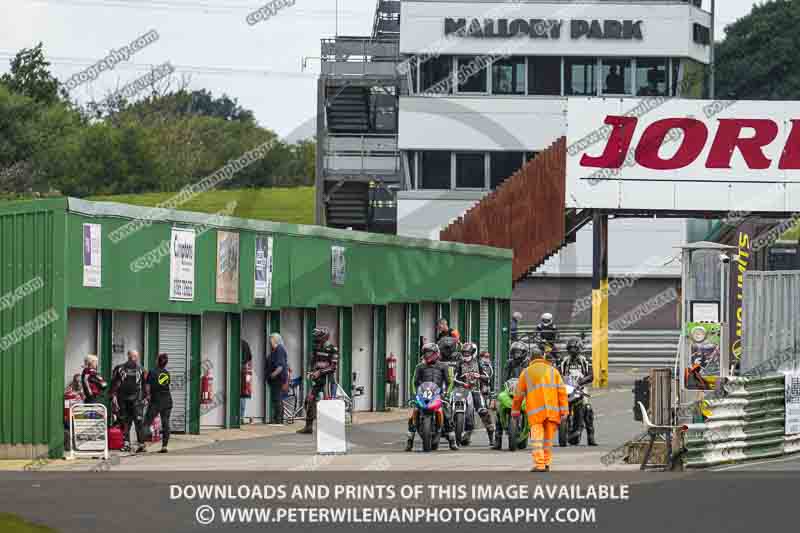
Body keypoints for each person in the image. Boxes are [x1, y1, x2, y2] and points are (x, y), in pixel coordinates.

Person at [511, 346, 569, 472]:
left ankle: (540, 464)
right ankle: (547, 462)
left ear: (530, 358)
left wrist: (515, 411)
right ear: (542, 357)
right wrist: (564, 411)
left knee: (537, 440)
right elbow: (562, 393)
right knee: (548, 440)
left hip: (536, 413)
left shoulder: (526, 372)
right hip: (552, 412)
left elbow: (518, 395)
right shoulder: (554, 371)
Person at [405, 342, 458, 451]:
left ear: (436, 353)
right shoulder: (419, 366)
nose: (428, 355)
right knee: (413, 415)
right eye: (426, 353)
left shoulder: (443, 366)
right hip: (423, 393)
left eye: (430, 352)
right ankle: (409, 441)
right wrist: (414, 395)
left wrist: (447, 395)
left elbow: (450, 382)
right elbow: (414, 381)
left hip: (438, 394)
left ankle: (452, 441)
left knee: (447, 414)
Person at [297, 327, 339, 434]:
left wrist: (319, 372)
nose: (316, 340)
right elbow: (313, 361)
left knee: (328, 403)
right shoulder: (316, 348)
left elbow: (333, 367)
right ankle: (308, 426)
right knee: (309, 400)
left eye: (318, 337)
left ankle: (330, 428)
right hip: (318, 380)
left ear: (324, 337)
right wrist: (310, 372)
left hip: (328, 380)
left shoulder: (333, 349)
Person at [454, 342, 495, 446]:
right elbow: (453, 378)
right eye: (464, 353)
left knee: (483, 411)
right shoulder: (459, 363)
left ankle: (491, 436)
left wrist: (479, 376)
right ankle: (455, 433)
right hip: (461, 390)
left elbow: (487, 377)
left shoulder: (479, 363)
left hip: (475, 390)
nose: (466, 355)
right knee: (454, 407)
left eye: (468, 353)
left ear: (472, 353)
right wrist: (461, 381)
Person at [493, 341, 532, 450]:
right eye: (514, 352)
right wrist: (501, 390)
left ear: (524, 353)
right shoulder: (509, 363)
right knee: (498, 409)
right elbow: (504, 378)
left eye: (519, 352)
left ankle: (536, 434)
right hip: (511, 390)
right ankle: (498, 440)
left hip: (526, 391)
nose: (516, 355)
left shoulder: (529, 364)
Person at [559, 338, 597, 446]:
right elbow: (557, 373)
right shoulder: (563, 361)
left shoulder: (585, 360)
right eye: (570, 348)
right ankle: (563, 426)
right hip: (566, 387)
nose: (572, 350)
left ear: (579, 349)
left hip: (581, 387)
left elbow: (591, 375)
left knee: (587, 407)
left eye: (575, 348)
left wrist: (582, 381)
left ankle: (591, 436)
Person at [110, 350, 147, 453]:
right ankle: (127, 444)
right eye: (132, 355)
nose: (133, 357)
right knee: (125, 422)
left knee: (138, 422)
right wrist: (112, 396)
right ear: (128, 356)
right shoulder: (119, 368)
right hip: (123, 400)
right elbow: (114, 383)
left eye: (135, 356)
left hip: (137, 400)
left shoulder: (141, 369)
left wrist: (146, 397)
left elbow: (145, 385)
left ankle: (141, 444)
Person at [144, 353, 172, 453]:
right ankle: (164, 446)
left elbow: (147, 386)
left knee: (147, 422)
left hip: (156, 401)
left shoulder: (152, 371)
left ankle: (143, 445)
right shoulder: (166, 373)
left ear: (157, 361)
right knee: (166, 423)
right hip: (167, 401)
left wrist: (147, 396)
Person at [267, 333, 288, 425]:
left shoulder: (279, 349)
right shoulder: (276, 350)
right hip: (275, 379)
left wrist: (273, 374)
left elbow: (280, 366)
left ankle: (278, 419)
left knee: (277, 398)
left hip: (278, 379)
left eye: (271, 339)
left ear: (275, 340)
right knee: (276, 398)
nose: (269, 341)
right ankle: (277, 418)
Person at [240, 340, 253, 425]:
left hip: (238, 370)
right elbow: (249, 359)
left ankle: (236, 417)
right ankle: (241, 417)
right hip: (244, 371)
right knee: (243, 394)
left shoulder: (236, 342)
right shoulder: (245, 343)